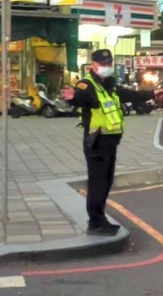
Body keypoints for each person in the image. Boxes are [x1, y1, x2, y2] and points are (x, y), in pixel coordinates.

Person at [63, 48, 154, 236]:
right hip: (96, 142)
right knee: (97, 182)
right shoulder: (86, 85)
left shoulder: (110, 85)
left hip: (110, 142)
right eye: (103, 64)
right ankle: (95, 222)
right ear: (93, 66)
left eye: (109, 64)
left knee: (106, 181)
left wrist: (154, 93)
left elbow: (131, 95)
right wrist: (73, 99)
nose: (107, 67)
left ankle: (100, 218)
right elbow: (80, 98)